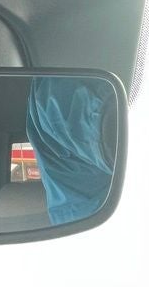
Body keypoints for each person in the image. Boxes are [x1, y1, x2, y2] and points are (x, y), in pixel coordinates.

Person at [26, 77, 116, 226]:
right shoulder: (55, 87)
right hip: (97, 215)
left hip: (85, 214)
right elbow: (110, 131)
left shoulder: (53, 87)